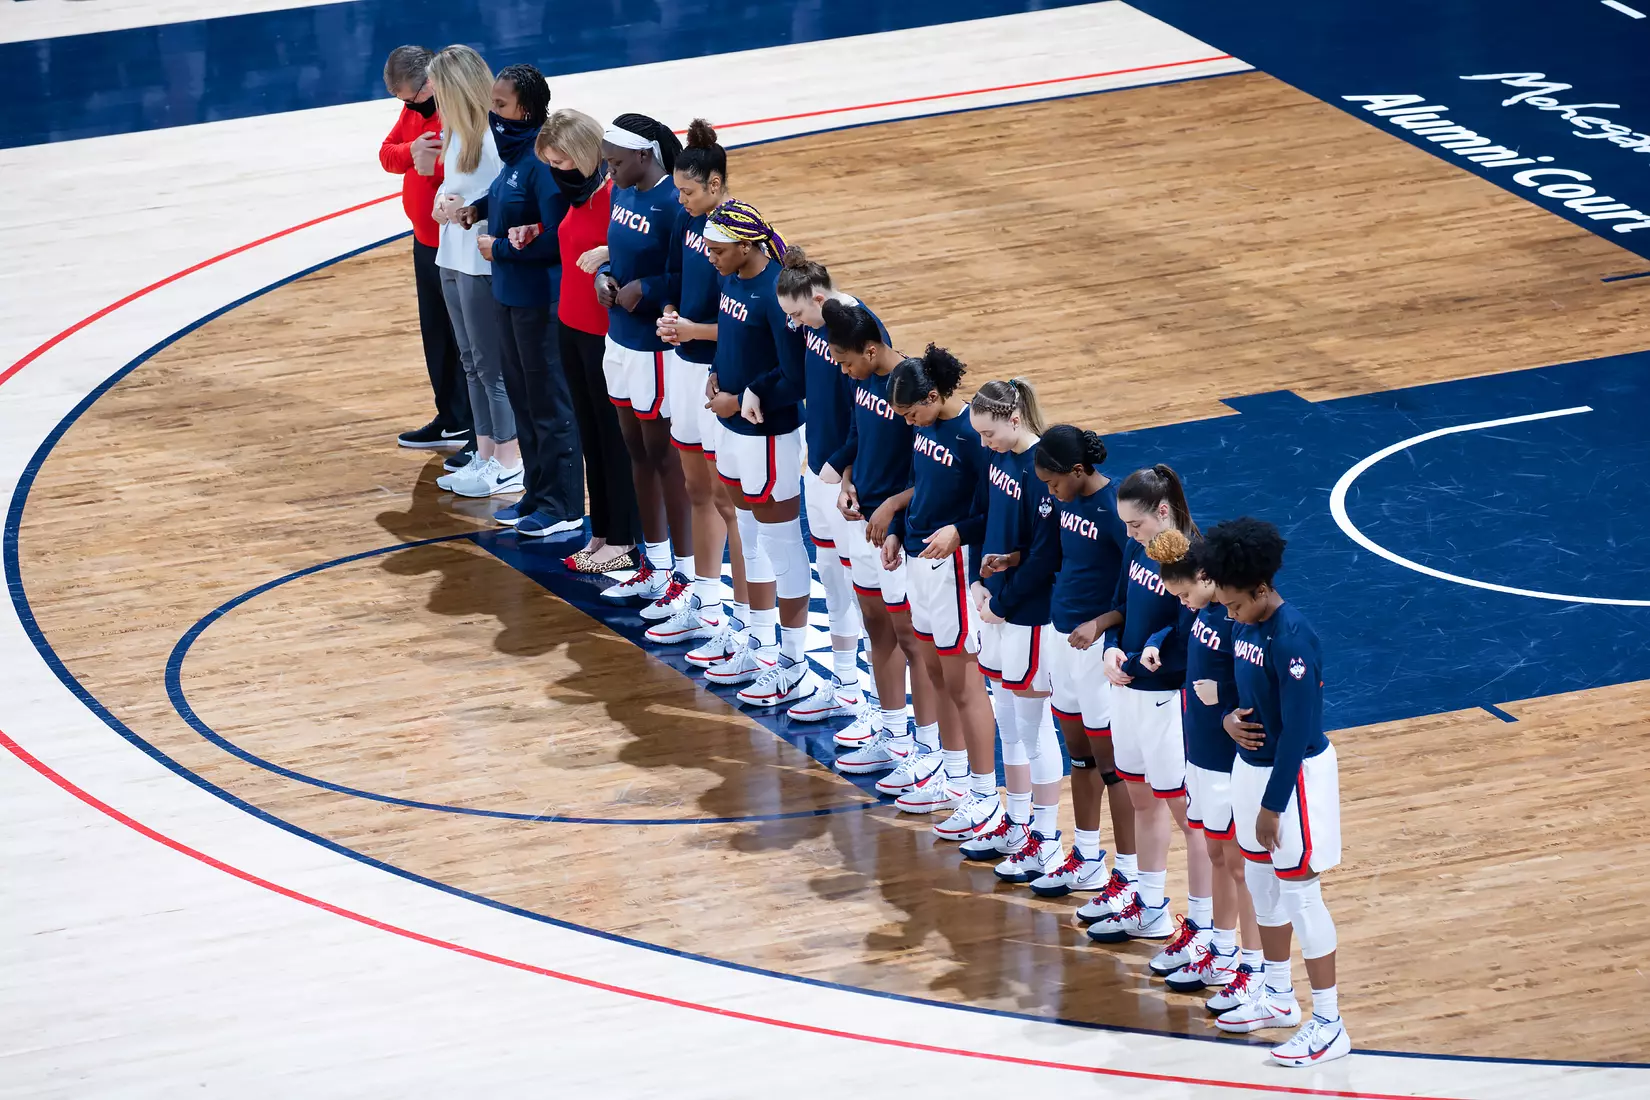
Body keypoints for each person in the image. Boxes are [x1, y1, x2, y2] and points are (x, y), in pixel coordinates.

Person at [1204, 517, 1349, 1066]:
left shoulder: (1293, 641)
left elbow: (1295, 734)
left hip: (1294, 778)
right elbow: (1233, 693)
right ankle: (1277, 996)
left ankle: (1331, 1023)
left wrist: (1273, 805)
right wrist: (1226, 721)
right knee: (1262, 887)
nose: (1228, 613)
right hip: (1250, 767)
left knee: (1301, 894)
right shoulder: (1243, 621)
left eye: (1235, 604)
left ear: (1262, 590)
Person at [1086, 466, 1214, 970]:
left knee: (1191, 817)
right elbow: (1121, 605)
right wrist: (1113, 649)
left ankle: (1204, 927)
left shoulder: (1193, 560)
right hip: (1129, 689)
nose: (1129, 533)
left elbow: (1189, 633)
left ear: (1163, 512)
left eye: (1136, 525)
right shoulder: (1141, 549)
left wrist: (1149, 654)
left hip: (1167, 699)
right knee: (1141, 798)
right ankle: (1152, 905)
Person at [695, 200, 819, 709]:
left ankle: (794, 664)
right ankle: (759, 642)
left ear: (746, 246)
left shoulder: (775, 294)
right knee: (746, 535)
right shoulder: (731, 278)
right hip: (731, 427)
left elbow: (796, 377)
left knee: (781, 543)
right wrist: (718, 374)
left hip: (767, 434)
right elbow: (736, 344)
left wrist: (742, 398)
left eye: (719, 249)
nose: (711, 257)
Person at [820, 300, 944, 794]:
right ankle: (893, 735)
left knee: (912, 638)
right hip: (863, 520)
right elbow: (855, 438)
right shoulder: (863, 381)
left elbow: (929, 473)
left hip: (896, 532)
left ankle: (931, 751)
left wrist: (892, 509)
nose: (843, 369)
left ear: (871, 350)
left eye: (847, 362)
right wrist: (848, 480)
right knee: (877, 627)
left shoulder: (910, 390)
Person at [455, 64, 583, 538]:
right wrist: (479, 209)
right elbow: (504, 194)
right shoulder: (514, 156)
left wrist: (501, 248)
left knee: (548, 405)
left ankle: (564, 504)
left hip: (539, 302)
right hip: (509, 298)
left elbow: (557, 240)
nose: (493, 112)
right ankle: (536, 490)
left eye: (501, 105)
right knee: (526, 404)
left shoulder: (543, 164)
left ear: (525, 109)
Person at [1147, 528, 1263, 999]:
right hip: (1201, 755)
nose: (1185, 603)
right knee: (1217, 855)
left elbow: (1257, 690)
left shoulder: (1236, 619)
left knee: (1241, 866)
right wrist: (1157, 640)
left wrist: (1224, 703)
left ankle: (1253, 967)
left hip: (1227, 760)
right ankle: (1221, 948)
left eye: (1186, 593)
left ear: (1205, 576)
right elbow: (1181, 633)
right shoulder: (1203, 611)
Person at [884, 348, 998, 819]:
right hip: (918, 558)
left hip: (953, 565)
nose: (910, 423)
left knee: (963, 684)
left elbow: (997, 511)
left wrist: (961, 532)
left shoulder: (974, 436)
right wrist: (895, 525)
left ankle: (985, 793)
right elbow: (923, 485)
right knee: (933, 673)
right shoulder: (927, 427)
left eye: (912, 413)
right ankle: (951, 777)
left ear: (934, 396)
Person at [649, 120, 749, 650]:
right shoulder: (687, 222)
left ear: (715, 185)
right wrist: (671, 314)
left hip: (722, 375)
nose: (679, 199)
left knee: (728, 500)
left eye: (687, 191)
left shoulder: (743, 236)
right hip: (684, 363)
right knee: (696, 490)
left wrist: (694, 330)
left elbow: (752, 320)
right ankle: (706, 601)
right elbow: (677, 281)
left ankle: (742, 620)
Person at [953, 380, 1062, 858]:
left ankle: (1046, 835)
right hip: (994, 606)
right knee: (1010, 722)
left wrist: (1003, 602)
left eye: (989, 433)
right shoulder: (998, 458)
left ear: (1015, 420)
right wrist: (978, 580)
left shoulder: (1041, 472)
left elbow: (1042, 557)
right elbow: (985, 516)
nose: (983, 442)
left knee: (1035, 727)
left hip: (1028, 616)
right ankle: (1016, 820)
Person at [1029, 426, 1138, 902]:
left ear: (1077, 470)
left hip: (1097, 648)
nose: (1049, 492)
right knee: (1079, 755)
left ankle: (1130, 873)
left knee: (1113, 767)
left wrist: (1101, 623)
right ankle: (1088, 855)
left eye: (1053, 483)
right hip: (1062, 638)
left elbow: (1141, 588)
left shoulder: (1116, 512)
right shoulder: (1066, 502)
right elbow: (1062, 561)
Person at [592, 115, 694, 606]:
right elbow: (618, 254)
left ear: (644, 155)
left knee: (664, 458)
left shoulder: (676, 203)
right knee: (634, 451)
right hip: (619, 339)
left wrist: (647, 289)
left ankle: (688, 573)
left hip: (656, 348)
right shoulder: (621, 191)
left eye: (614, 161)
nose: (608, 171)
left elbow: (691, 276)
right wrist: (606, 277)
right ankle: (653, 564)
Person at [535, 109, 642, 573]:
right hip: (571, 325)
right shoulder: (580, 195)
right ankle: (600, 532)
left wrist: (610, 251)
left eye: (562, 162)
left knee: (613, 438)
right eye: (551, 164)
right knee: (590, 436)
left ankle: (622, 538)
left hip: (604, 333)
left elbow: (648, 250)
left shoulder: (619, 195)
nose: (557, 173)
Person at [772, 253, 875, 728]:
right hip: (818, 469)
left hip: (845, 480)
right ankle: (846, 687)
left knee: (865, 590)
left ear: (818, 299)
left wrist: (844, 468)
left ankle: (878, 704)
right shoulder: (813, 325)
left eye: (796, 314)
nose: (792, 323)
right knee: (832, 577)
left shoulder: (859, 329)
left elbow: (873, 416)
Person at [425, 46, 519, 499]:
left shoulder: (493, 135)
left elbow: (503, 201)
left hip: (480, 261)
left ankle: (510, 458)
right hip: (450, 255)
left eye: (440, 88)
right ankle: (484, 453)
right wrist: (441, 203)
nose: (435, 98)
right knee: (470, 361)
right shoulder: (455, 133)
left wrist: (465, 209)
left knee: (490, 364)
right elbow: (452, 187)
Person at [380, 45, 471, 457]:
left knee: (466, 340)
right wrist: (411, 152)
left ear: (431, 81)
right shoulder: (414, 111)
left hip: (454, 243)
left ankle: (476, 426)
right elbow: (388, 154)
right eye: (400, 100)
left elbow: (466, 168)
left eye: (410, 97)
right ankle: (450, 418)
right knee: (437, 336)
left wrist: (422, 163)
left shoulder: (456, 110)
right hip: (423, 239)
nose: (406, 106)